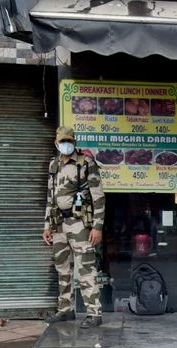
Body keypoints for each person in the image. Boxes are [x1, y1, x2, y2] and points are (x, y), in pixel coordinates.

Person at [42, 127, 106, 329]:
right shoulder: (53, 165)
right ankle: (65, 309)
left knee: (86, 267)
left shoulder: (86, 163)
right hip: (58, 223)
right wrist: (47, 225)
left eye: (69, 140)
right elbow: (50, 198)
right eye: (62, 141)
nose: (65, 144)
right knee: (62, 267)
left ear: (74, 141)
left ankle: (94, 313)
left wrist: (97, 227)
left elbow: (98, 196)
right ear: (56, 143)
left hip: (79, 223)